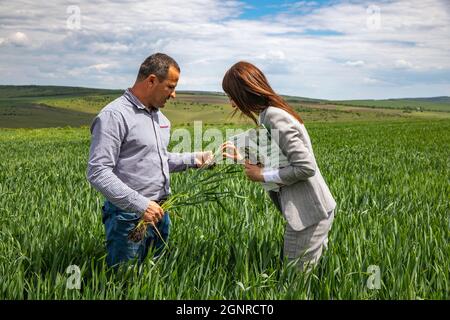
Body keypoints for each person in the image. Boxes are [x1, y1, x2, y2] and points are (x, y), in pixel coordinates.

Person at [87, 53, 212, 268]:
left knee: (153, 279)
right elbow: (98, 172)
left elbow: (158, 159)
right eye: (170, 87)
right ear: (152, 81)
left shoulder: (160, 118)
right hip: (128, 216)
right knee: (125, 281)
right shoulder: (114, 116)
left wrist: (193, 158)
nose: (174, 95)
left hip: (160, 213)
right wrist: (141, 205)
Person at [221, 61, 336, 272]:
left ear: (244, 92)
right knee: (313, 281)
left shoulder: (274, 116)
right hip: (313, 210)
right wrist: (240, 157)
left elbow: (305, 167)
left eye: (231, 96)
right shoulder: (270, 114)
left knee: (294, 285)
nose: (231, 103)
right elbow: (279, 159)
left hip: (309, 213)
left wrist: (262, 175)